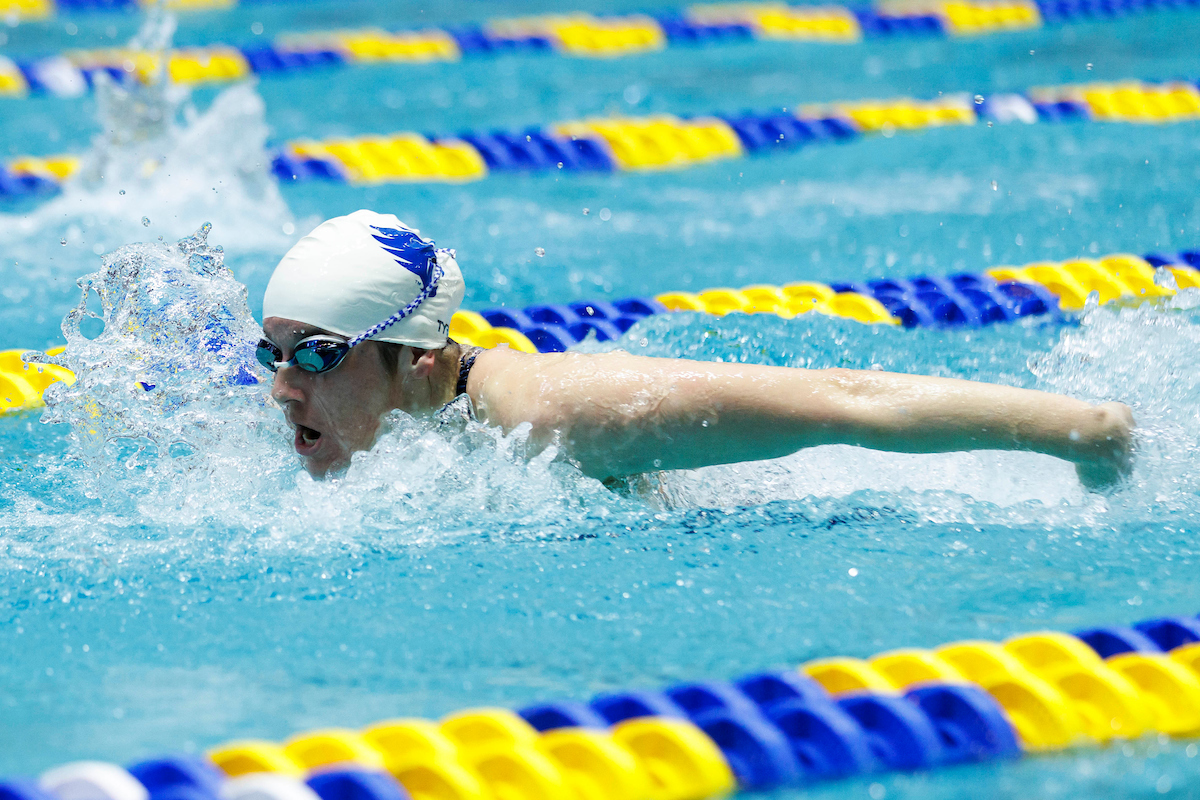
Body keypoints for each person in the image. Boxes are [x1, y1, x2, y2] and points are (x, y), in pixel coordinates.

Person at [259, 210, 1135, 489]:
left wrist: (1079, 430)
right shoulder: (393, 413)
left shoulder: (558, 418)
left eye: (320, 356)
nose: (281, 392)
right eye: (276, 356)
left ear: (415, 357)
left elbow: (848, 400)